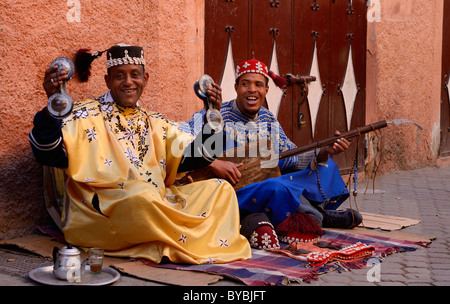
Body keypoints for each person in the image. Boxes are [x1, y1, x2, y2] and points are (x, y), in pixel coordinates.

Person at [28, 44, 251, 264]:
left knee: (220, 190)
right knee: (141, 196)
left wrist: (213, 114)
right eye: (119, 76)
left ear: (146, 79)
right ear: (107, 80)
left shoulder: (155, 121)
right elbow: (48, 154)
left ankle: (170, 240)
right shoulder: (84, 114)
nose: (128, 82)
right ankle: (177, 241)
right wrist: (52, 107)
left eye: (135, 75)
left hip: (156, 201)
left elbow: (196, 156)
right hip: (105, 212)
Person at [181, 59, 362, 250]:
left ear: (266, 90)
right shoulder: (216, 114)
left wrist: (324, 152)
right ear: (235, 87)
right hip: (232, 192)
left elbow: (290, 158)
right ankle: (318, 216)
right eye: (245, 84)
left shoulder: (267, 118)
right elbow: (179, 141)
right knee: (278, 187)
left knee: (325, 165)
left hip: (266, 182)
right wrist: (213, 163)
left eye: (259, 84)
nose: (252, 90)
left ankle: (314, 213)